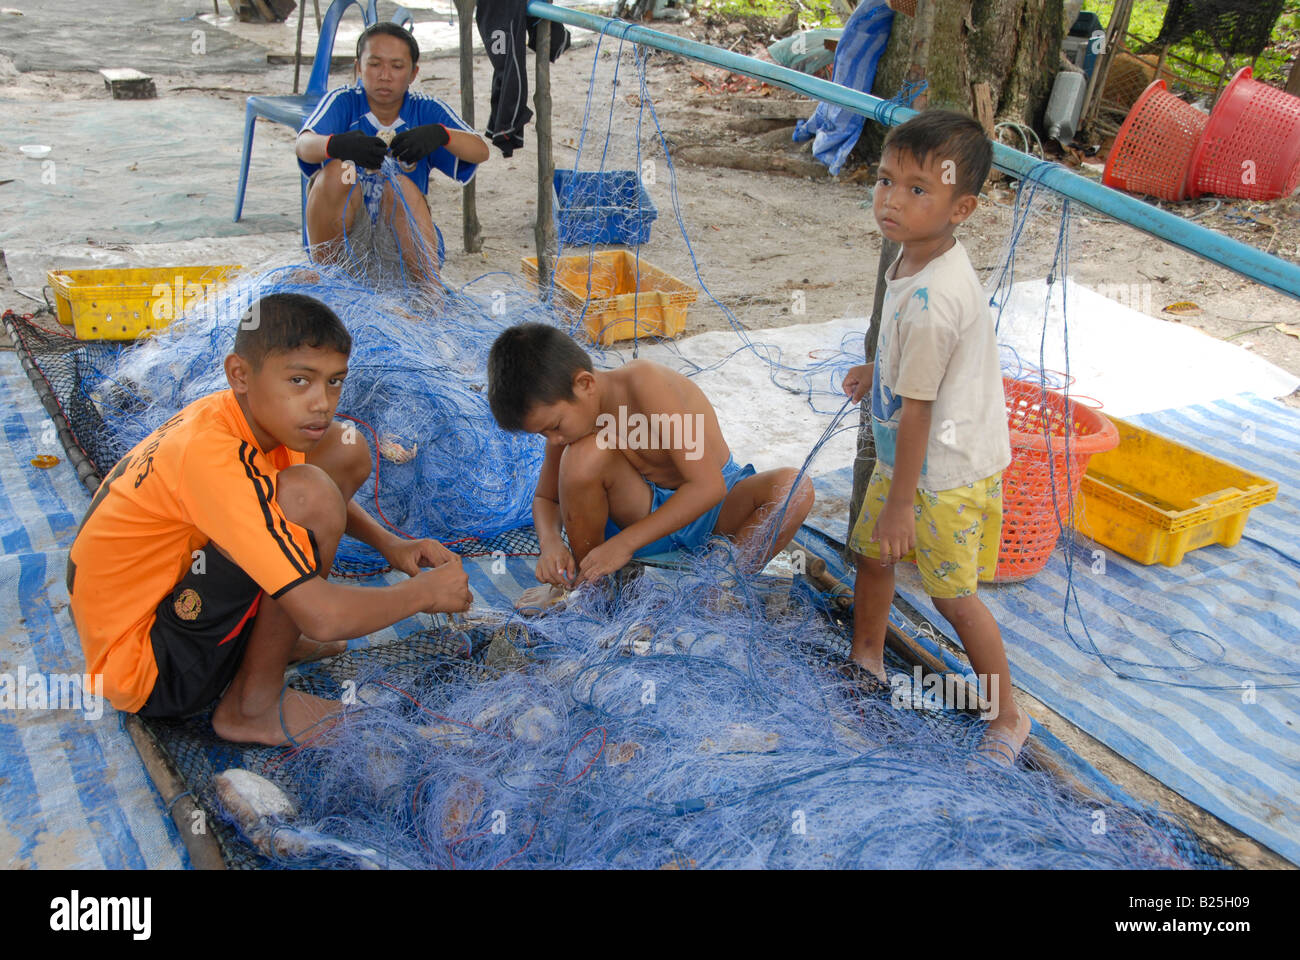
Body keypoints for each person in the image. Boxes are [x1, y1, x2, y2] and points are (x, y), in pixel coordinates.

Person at [67, 293, 472, 746]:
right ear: (239, 374)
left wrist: (389, 545)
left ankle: (273, 639)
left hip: (160, 606)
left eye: (334, 381)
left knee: (344, 445)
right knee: (309, 496)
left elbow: (293, 483)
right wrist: (423, 594)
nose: (322, 402)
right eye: (299, 380)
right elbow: (323, 615)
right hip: (152, 670)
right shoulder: (213, 455)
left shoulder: (237, 415)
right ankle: (251, 706)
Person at [840, 109, 1028, 767]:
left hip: (941, 471)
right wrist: (877, 369)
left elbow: (920, 409)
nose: (892, 199)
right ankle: (866, 655)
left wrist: (899, 507)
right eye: (887, 180)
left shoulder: (934, 299)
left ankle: (1008, 712)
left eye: (918, 189)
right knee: (872, 556)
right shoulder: (911, 254)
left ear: (962, 207)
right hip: (903, 456)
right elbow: (911, 369)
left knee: (953, 595)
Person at [487, 323, 814, 590]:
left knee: (794, 488)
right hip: (643, 515)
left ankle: (723, 584)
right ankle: (593, 588)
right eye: (544, 433)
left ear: (585, 383)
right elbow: (546, 498)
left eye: (554, 427)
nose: (554, 439)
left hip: (715, 511)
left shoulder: (644, 384)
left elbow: (708, 486)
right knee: (582, 457)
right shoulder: (569, 427)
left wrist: (625, 543)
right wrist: (551, 544)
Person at [294, 22, 489, 286]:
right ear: (358, 68)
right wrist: (335, 145)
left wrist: (443, 134)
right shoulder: (344, 101)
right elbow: (303, 145)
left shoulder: (425, 110)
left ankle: (429, 293)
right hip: (344, 244)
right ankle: (329, 280)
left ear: (413, 73)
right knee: (339, 172)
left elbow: (480, 150)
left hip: (402, 249)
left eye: (397, 67)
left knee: (398, 186)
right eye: (374, 64)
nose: (385, 75)